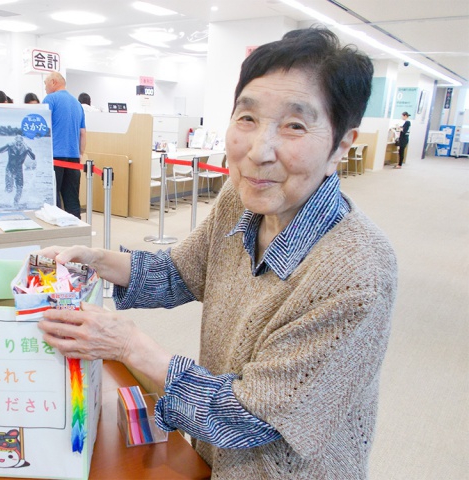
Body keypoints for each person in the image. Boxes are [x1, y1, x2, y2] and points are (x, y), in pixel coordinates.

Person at [36, 28, 397, 479]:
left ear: (341, 146)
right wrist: (97, 261)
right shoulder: (240, 199)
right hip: (211, 459)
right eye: (247, 118)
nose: (259, 151)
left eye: (295, 126)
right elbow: (180, 272)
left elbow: (251, 417)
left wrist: (129, 345)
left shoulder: (357, 272)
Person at [43, 72, 86, 219]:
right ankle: (76, 228)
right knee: (72, 199)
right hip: (73, 159)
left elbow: (42, 127)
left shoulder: (50, 99)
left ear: (53, 82)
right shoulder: (77, 104)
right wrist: (80, 154)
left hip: (54, 157)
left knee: (53, 199)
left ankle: (57, 229)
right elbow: (83, 133)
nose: (45, 87)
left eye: (45, 83)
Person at [0, 134, 35, 206]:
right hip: (10, 168)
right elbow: (0, 151)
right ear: (15, 142)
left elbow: (33, 157)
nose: (18, 145)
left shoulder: (26, 148)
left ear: (22, 143)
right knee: (9, 188)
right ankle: (5, 201)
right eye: (17, 143)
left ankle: (16, 202)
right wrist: (7, 145)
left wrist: (28, 149)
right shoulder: (10, 146)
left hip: (19, 170)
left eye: (20, 143)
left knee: (19, 188)